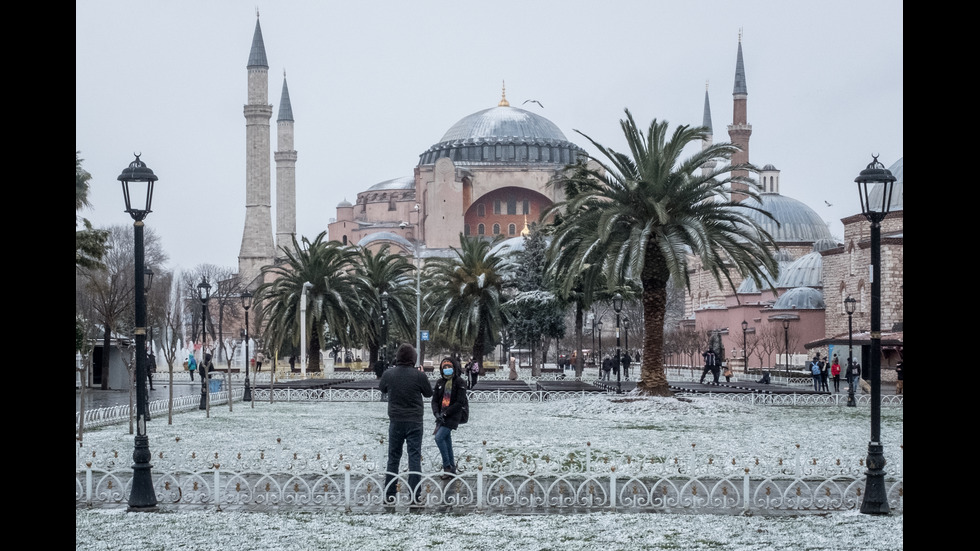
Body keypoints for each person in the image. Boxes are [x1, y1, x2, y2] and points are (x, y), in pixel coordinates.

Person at [378, 343, 433, 506]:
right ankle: (415, 494)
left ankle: (389, 493)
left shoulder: (389, 374)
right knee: (414, 456)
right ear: (413, 359)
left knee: (393, 457)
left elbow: (383, 389)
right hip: (415, 420)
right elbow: (429, 393)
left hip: (396, 420)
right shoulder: (418, 376)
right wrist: (422, 375)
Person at [432, 357, 468, 479]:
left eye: (449, 367)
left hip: (453, 416)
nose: (447, 369)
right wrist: (437, 414)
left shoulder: (459, 382)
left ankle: (447, 466)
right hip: (441, 417)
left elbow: (460, 402)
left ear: (454, 368)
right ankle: (452, 467)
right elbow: (435, 401)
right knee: (446, 440)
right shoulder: (439, 382)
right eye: (444, 367)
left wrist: (446, 413)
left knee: (439, 438)